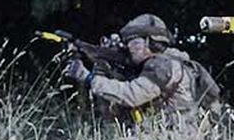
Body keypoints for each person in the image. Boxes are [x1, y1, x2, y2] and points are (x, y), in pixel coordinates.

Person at [61, 14, 220, 120]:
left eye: (135, 42)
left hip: (179, 138)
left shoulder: (163, 65)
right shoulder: (169, 61)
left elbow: (131, 95)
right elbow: (111, 116)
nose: (129, 47)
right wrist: (102, 67)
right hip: (175, 134)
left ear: (152, 42)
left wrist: (87, 77)